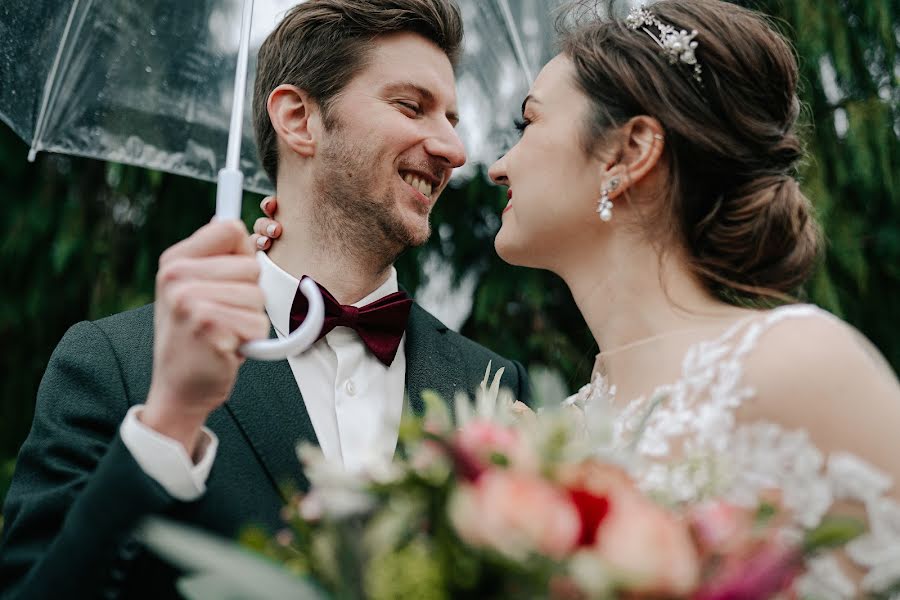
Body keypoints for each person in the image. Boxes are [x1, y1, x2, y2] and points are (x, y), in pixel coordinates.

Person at [255, 0, 900, 596]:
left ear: (629, 152)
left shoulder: (802, 364)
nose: (492, 164)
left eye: (527, 123)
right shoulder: (543, 430)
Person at [0, 1, 530, 598]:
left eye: (453, 119)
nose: (453, 149)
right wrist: (172, 418)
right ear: (299, 119)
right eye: (411, 106)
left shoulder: (493, 387)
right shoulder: (114, 363)